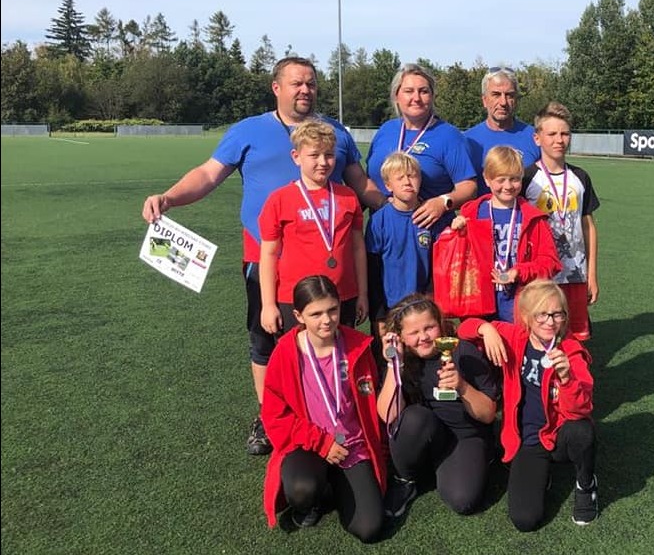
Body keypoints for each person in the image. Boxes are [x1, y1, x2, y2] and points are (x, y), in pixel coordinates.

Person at [141, 56, 384, 457]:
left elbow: (360, 183)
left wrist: (400, 208)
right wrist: (168, 198)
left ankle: (330, 413)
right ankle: (269, 415)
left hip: (325, 265)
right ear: (276, 88)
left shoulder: (333, 133)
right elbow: (208, 174)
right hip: (265, 258)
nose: (304, 90)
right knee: (266, 338)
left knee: (329, 337)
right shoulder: (248, 130)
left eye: (311, 83)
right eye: (296, 83)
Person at [457, 279, 597, 530]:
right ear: (526, 317)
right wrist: (486, 329)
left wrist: (567, 379)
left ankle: (586, 484)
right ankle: (542, 475)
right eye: (542, 314)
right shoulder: (514, 337)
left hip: (559, 434)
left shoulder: (571, 351)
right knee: (524, 519)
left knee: (582, 431)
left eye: (557, 314)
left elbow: (581, 410)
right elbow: (464, 329)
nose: (550, 322)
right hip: (529, 440)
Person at [261, 275, 386, 541]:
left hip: (351, 444)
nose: (327, 320)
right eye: (315, 314)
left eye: (332, 310)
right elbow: (275, 415)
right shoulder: (286, 352)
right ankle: (314, 495)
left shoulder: (358, 346)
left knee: (369, 528)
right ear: (298, 315)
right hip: (308, 445)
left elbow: (370, 399)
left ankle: (333, 486)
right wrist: (321, 443)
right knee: (302, 489)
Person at [376, 294, 498, 519]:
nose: (423, 337)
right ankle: (405, 480)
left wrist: (462, 386)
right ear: (400, 336)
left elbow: (489, 414)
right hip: (427, 430)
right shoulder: (401, 361)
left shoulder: (463, 352)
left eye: (429, 328)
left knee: (462, 500)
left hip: (466, 435)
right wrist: (395, 365)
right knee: (413, 418)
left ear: (440, 325)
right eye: (413, 332)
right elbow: (388, 415)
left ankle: (467, 462)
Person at [259, 120, 368, 339]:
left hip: (342, 296)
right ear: (296, 157)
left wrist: (362, 294)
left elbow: (358, 248)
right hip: (294, 299)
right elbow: (269, 254)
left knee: (341, 355)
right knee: (298, 356)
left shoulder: (348, 196)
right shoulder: (279, 200)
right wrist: (268, 304)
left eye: (329, 155)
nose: (323, 162)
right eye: (314, 155)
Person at [451, 145, 560, 322]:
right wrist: (457, 232)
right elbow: (458, 258)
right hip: (478, 303)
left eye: (514, 179)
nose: (508, 186)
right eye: (500, 180)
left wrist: (519, 272)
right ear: (487, 179)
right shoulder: (471, 213)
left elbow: (551, 263)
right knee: (475, 339)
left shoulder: (533, 218)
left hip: (520, 304)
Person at [522, 102, 599, 341]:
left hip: (576, 272)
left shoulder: (580, 177)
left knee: (576, 337)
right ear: (537, 138)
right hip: (541, 274)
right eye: (552, 134)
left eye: (565, 134)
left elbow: (588, 226)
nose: (559, 140)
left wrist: (592, 274)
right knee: (542, 335)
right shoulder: (527, 178)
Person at [366, 63, 477, 230]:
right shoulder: (385, 130)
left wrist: (443, 202)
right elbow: (368, 178)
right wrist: (381, 202)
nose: (416, 98)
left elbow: (469, 187)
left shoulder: (449, 136)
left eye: (423, 91)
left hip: (430, 233)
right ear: (396, 96)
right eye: (409, 91)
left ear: (432, 96)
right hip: (384, 233)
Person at [365, 151, 445, 341]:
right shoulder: (379, 220)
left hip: (423, 307)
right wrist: (378, 316)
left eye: (412, 176)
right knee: (390, 354)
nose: (407, 182)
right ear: (388, 185)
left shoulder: (430, 217)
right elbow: (372, 271)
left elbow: (439, 265)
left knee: (423, 350)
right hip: (390, 308)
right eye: (400, 178)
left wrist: (433, 302)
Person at [463, 66, 539, 196]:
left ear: (516, 100)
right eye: (496, 95)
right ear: (484, 100)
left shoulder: (535, 138)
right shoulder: (466, 141)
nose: (503, 102)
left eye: (509, 95)